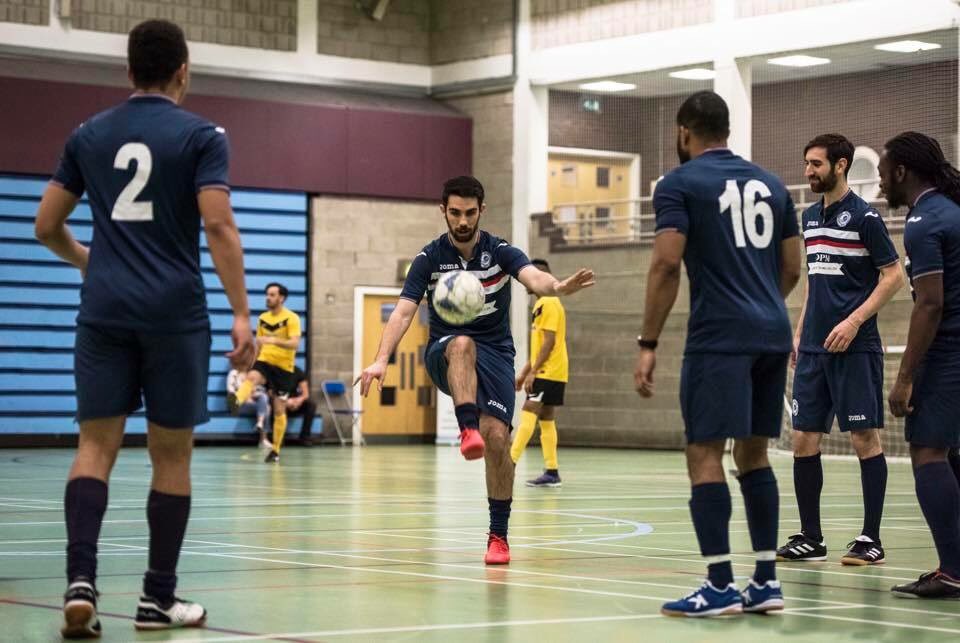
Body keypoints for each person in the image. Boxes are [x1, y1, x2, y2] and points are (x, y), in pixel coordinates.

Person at [33, 19, 255, 638]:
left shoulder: (88, 135)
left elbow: (45, 225)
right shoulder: (202, 136)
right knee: (171, 458)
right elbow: (217, 226)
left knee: (94, 448)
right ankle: (157, 601)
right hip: (173, 316)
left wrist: (92, 261)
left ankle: (81, 583)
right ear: (183, 70)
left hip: (103, 312)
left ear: (128, 72)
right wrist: (241, 312)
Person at [357, 176, 594, 565]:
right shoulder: (429, 258)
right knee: (462, 344)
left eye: (470, 212)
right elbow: (403, 311)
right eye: (455, 212)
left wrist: (558, 287)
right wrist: (381, 358)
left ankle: (498, 535)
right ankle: (467, 427)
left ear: (481, 210)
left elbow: (532, 276)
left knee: (498, 438)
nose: (462, 220)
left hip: (497, 352)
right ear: (444, 211)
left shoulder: (499, 251)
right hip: (445, 351)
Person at [634, 91, 802, 617]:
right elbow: (793, 266)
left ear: (685, 131)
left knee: (703, 452)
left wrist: (648, 343)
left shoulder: (678, 185)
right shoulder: (773, 184)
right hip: (772, 333)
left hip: (719, 337)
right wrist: (762, 305)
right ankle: (766, 581)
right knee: (753, 454)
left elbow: (665, 266)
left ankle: (720, 584)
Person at [779, 134, 904, 566]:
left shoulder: (866, 218)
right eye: (806, 163)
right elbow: (814, 280)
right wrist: (799, 331)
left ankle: (871, 538)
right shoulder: (809, 218)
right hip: (814, 349)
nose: (808, 171)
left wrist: (853, 321)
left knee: (864, 438)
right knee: (801, 440)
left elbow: (892, 277)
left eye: (815, 164)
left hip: (856, 347)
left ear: (841, 165)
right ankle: (811, 537)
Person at [882, 132, 960, 599]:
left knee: (928, 452)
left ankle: (952, 570)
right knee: (951, 452)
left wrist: (905, 377)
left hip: (949, 351)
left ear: (901, 172)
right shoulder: (953, 211)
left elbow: (929, 305)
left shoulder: (925, 221)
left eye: (884, 173)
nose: (881, 185)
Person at [510, 258, 569, 487]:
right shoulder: (543, 303)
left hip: (548, 370)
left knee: (528, 411)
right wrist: (525, 372)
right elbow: (539, 346)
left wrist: (534, 373)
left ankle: (510, 462)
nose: (525, 281)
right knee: (546, 418)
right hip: (549, 369)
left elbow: (549, 343)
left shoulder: (548, 302)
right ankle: (552, 471)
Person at [228, 283, 301, 464]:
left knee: (278, 410)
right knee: (252, 377)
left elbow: (294, 343)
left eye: (272, 295)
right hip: (265, 361)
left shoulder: (291, 318)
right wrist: (253, 363)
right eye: (267, 295)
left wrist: (272, 339)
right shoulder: (262, 318)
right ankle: (236, 400)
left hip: (284, 368)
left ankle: (275, 450)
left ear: (281, 298)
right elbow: (259, 344)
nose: (268, 298)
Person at [226, 368, 272, 449]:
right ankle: (263, 438)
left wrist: (252, 394)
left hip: (253, 403)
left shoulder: (255, 374)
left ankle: (260, 424)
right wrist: (246, 396)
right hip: (237, 404)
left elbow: (261, 390)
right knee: (266, 408)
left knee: (265, 401)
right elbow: (231, 393)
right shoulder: (234, 373)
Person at [286, 366, 318, 446]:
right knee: (274, 404)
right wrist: (285, 402)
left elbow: (305, 394)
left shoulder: (297, 371)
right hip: (280, 402)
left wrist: (298, 400)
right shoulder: (276, 371)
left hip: (295, 402)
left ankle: (305, 437)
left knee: (311, 405)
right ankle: (279, 438)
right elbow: (271, 393)